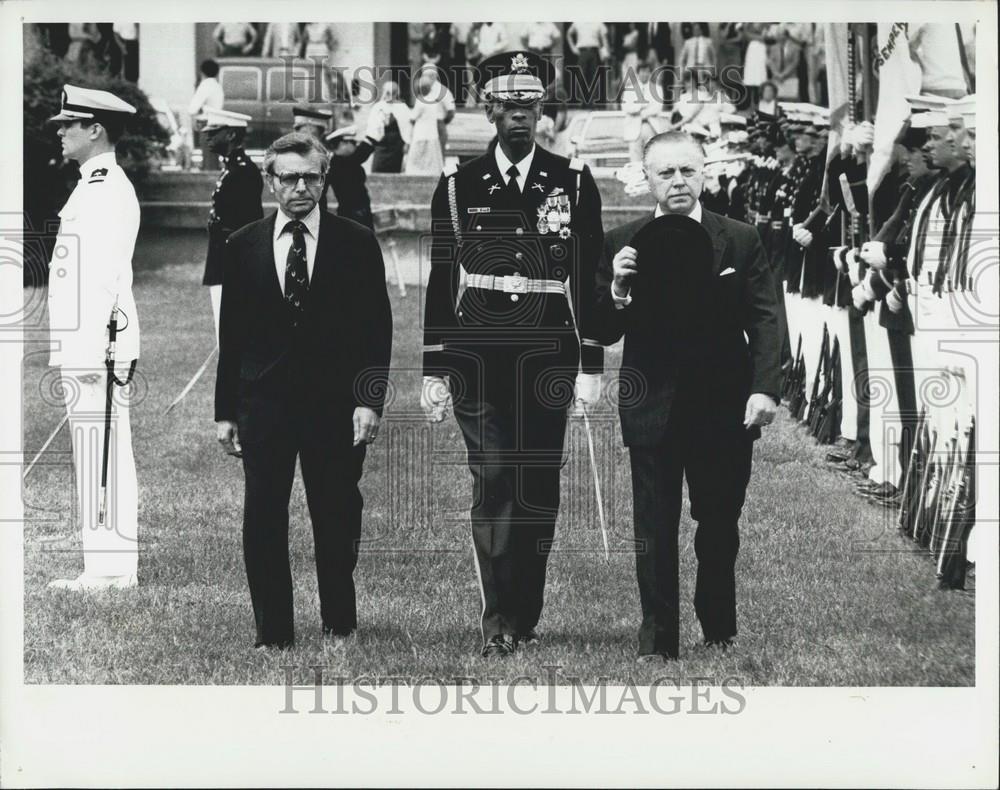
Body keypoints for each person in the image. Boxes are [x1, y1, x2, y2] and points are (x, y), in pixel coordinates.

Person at [421, 51, 605, 658]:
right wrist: (433, 368)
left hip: (548, 354)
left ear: (542, 110)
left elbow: (589, 278)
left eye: (530, 106)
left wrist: (593, 365)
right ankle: (497, 617)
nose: (519, 117)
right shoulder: (457, 187)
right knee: (494, 477)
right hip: (478, 355)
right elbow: (442, 280)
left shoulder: (573, 183)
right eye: (508, 105)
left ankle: (526, 610)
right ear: (489, 109)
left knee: (536, 488)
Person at [593, 131, 781, 660]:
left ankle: (718, 626)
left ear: (705, 173)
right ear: (646, 179)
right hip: (652, 400)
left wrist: (764, 389)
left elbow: (766, 318)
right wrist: (618, 290)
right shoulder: (622, 242)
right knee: (653, 525)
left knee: (718, 520)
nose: (678, 182)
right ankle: (658, 640)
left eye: (687, 171)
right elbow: (602, 329)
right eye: (665, 173)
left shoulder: (739, 239)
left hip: (724, 405)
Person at [214, 132, 392, 649]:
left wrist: (368, 399)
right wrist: (226, 411)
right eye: (289, 177)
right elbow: (233, 336)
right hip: (263, 403)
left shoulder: (356, 242)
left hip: (334, 403)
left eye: (311, 177)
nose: (300, 187)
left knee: (336, 511)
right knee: (263, 514)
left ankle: (339, 620)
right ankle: (273, 632)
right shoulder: (243, 244)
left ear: (324, 179)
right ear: (271, 181)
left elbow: (375, 330)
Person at [45, 85, 142, 592]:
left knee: (102, 449)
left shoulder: (105, 186)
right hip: (86, 340)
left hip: (97, 342)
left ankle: (109, 568)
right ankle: (106, 563)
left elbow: (103, 273)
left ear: (95, 129)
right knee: (96, 448)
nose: (61, 132)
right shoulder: (92, 183)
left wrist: (96, 345)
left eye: (69, 124)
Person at [198, 107, 263, 343]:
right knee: (225, 333)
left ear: (231, 135)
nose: (207, 136)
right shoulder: (231, 169)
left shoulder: (243, 172)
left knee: (234, 335)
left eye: (214, 131)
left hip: (234, 263)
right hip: (222, 259)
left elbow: (248, 224)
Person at [323, 120, 380, 230]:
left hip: (355, 213)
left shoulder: (342, 161)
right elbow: (361, 154)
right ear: (342, 144)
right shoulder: (340, 162)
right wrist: (371, 139)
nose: (355, 146)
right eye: (353, 143)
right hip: (353, 215)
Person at [404, 71, 446, 175]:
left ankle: (416, 171)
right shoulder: (433, 100)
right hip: (432, 132)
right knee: (430, 157)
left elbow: (413, 117)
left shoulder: (421, 101)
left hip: (421, 132)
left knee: (417, 155)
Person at [188, 60, 225, 171]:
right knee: (213, 156)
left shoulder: (205, 85)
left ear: (202, 72)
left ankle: (208, 173)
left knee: (207, 155)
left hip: (207, 122)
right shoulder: (218, 86)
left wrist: (193, 120)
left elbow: (193, 108)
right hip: (218, 122)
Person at [622, 59, 662, 162]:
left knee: (651, 158)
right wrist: (641, 106)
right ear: (637, 73)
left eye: (647, 71)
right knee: (635, 159)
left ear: (650, 73)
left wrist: (641, 113)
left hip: (650, 126)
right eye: (642, 72)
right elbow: (626, 107)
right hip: (634, 128)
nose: (644, 74)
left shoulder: (657, 89)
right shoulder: (629, 89)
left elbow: (657, 108)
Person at [369, 80, 411, 173]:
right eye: (387, 92)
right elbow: (372, 126)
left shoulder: (402, 107)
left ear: (397, 93)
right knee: (377, 170)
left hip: (396, 146)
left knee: (394, 172)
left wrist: (407, 143)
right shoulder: (377, 107)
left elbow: (408, 127)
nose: (390, 95)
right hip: (381, 145)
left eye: (393, 92)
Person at [567, 21, 610, 108]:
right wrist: (573, 48)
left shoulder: (598, 22)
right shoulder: (578, 22)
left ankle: (594, 103)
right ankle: (581, 103)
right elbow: (569, 34)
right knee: (581, 77)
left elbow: (604, 38)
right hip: (582, 52)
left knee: (595, 77)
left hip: (595, 52)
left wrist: (606, 51)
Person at [742, 23, 769, 110]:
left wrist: (750, 34)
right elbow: (746, 35)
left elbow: (765, 37)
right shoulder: (748, 23)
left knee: (760, 77)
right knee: (750, 77)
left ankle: (759, 105)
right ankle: (749, 104)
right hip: (752, 49)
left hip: (761, 50)